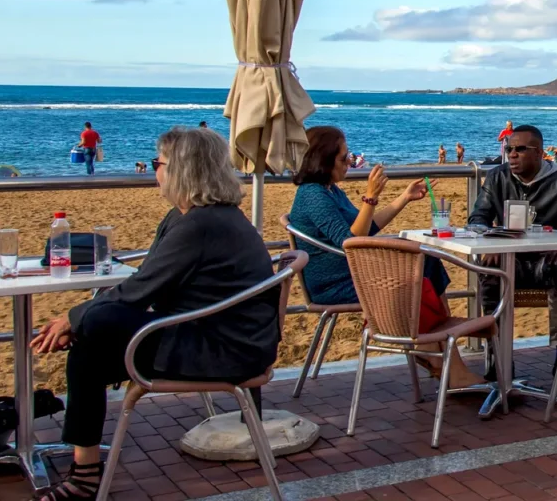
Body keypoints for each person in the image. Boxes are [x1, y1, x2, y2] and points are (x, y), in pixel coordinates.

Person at [31, 127, 279, 501]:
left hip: (224, 350)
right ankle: (84, 473)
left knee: (94, 325)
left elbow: (138, 290)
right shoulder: (197, 218)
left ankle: (84, 476)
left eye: (157, 164)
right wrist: (80, 321)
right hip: (213, 335)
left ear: (181, 170)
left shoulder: (200, 224)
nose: (153, 171)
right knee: (90, 344)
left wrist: (71, 319)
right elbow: (148, 285)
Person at [287, 127, 483, 387]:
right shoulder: (313, 195)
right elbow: (350, 241)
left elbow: (365, 227)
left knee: (429, 262)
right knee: (416, 272)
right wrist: (370, 197)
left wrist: (403, 198)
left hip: (352, 271)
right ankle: (440, 355)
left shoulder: (331, 190)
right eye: (344, 158)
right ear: (323, 160)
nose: (349, 162)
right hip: (334, 282)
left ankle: (440, 349)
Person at [467, 124, 557, 389]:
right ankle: (498, 357)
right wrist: (492, 242)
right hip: (508, 261)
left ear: (539, 153)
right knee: (489, 273)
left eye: (519, 149)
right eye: (509, 149)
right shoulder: (497, 178)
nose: (512, 155)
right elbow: (477, 219)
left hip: (546, 262)